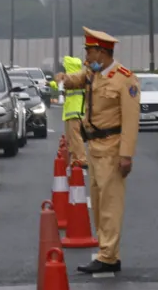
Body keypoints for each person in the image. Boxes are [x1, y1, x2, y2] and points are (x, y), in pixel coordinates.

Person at [55, 27, 140, 275]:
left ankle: (108, 256)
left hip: (113, 148)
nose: (86, 58)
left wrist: (126, 155)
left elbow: (132, 121)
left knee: (110, 205)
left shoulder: (125, 79)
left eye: (90, 52)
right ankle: (107, 251)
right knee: (100, 203)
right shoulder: (94, 75)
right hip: (95, 147)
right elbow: (76, 79)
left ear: (102, 53)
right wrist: (63, 79)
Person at [60, 55, 87, 168]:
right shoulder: (77, 77)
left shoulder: (73, 79)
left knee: (75, 137)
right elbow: (60, 85)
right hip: (73, 112)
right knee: (71, 138)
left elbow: (64, 84)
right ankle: (75, 158)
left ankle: (81, 159)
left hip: (75, 112)